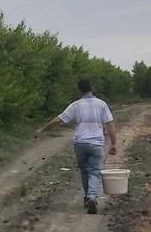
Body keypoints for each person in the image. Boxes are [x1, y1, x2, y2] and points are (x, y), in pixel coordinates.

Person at [33, 78, 117, 214]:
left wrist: (42, 129)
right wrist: (113, 143)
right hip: (96, 143)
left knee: (84, 171)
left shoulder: (76, 105)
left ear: (79, 90)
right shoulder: (101, 104)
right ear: (92, 88)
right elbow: (110, 125)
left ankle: (87, 198)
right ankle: (92, 197)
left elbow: (59, 119)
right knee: (94, 172)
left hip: (80, 144)